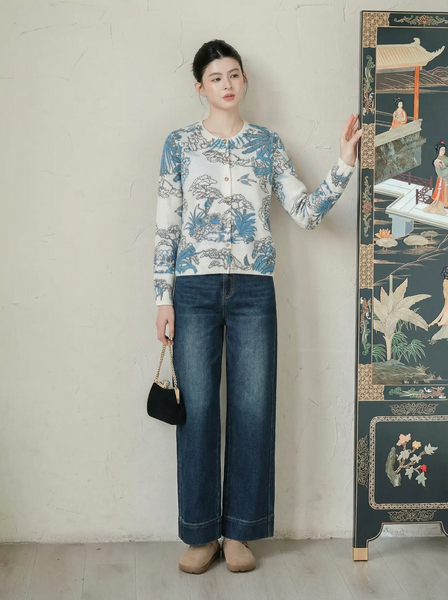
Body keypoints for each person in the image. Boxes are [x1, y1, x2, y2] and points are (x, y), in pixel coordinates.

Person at [153, 39, 361, 574]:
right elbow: (167, 224)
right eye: (215, 77)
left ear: (244, 81)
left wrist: (343, 163)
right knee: (198, 412)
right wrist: (163, 297)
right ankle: (201, 534)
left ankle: (240, 533)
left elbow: (306, 212)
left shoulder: (267, 144)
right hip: (193, 290)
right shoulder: (179, 144)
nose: (227, 84)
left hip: (252, 291)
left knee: (252, 408)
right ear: (200, 87)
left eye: (234, 74)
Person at [423, 141, 448, 215]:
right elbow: (439, 173)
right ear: (438, 150)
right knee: (442, 191)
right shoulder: (437, 161)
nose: (443, 151)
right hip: (442, 179)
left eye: (444, 149)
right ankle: (443, 202)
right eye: (442, 149)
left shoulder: (446, 158)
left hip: (446, 176)